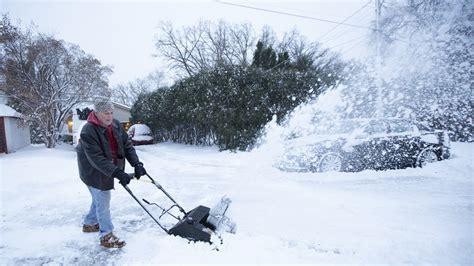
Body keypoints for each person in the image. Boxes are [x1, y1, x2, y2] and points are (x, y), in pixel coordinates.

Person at [76, 99, 147, 248]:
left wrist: (137, 164)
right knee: (103, 200)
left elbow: (127, 146)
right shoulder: (88, 130)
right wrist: (117, 172)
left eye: (111, 112)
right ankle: (106, 235)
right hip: (93, 172)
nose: (109, 116)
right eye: (105, 113)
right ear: (96, 113)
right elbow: (96, 158)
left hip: (109, 168)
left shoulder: (115, 125)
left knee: (98, 199)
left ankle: (89, 224)